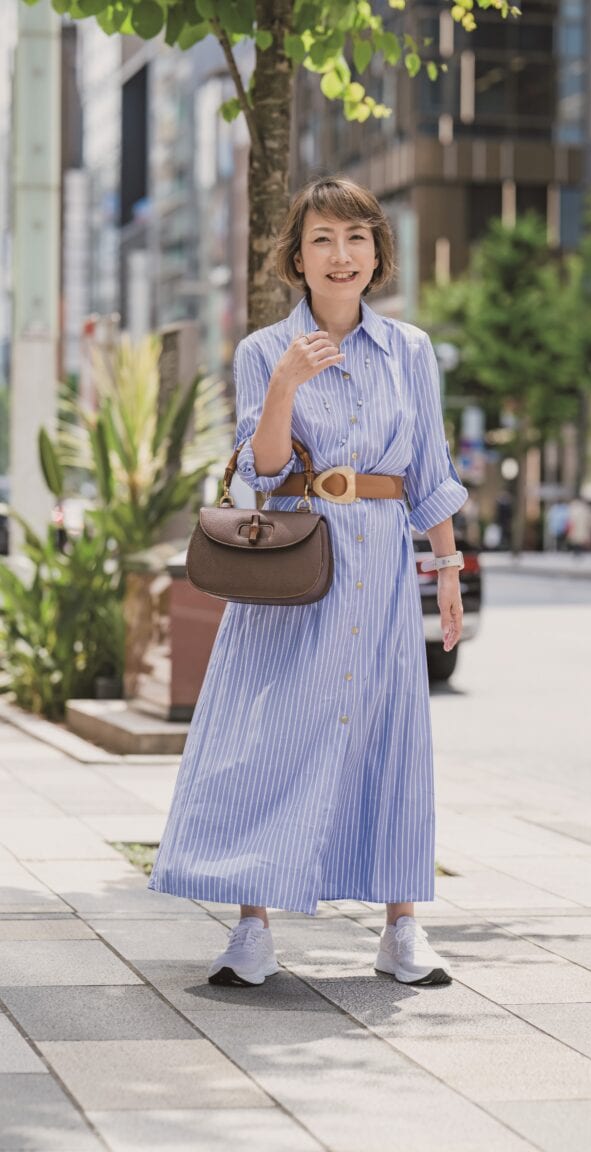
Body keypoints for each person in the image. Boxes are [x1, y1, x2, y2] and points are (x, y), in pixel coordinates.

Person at [148, 177, 469, 989]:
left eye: (357, 238)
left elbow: (430, 471)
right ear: (297, 257)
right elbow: (260, 476)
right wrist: (287, 383)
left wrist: (449, 569)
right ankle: (251, 925)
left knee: (391, 737)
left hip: (385, 569)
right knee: (269, 733)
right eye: (323, 239)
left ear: (376, 255)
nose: (341, 254)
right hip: (296, 563)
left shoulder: (412, 351)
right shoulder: (263, 351)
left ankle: (401, 929)